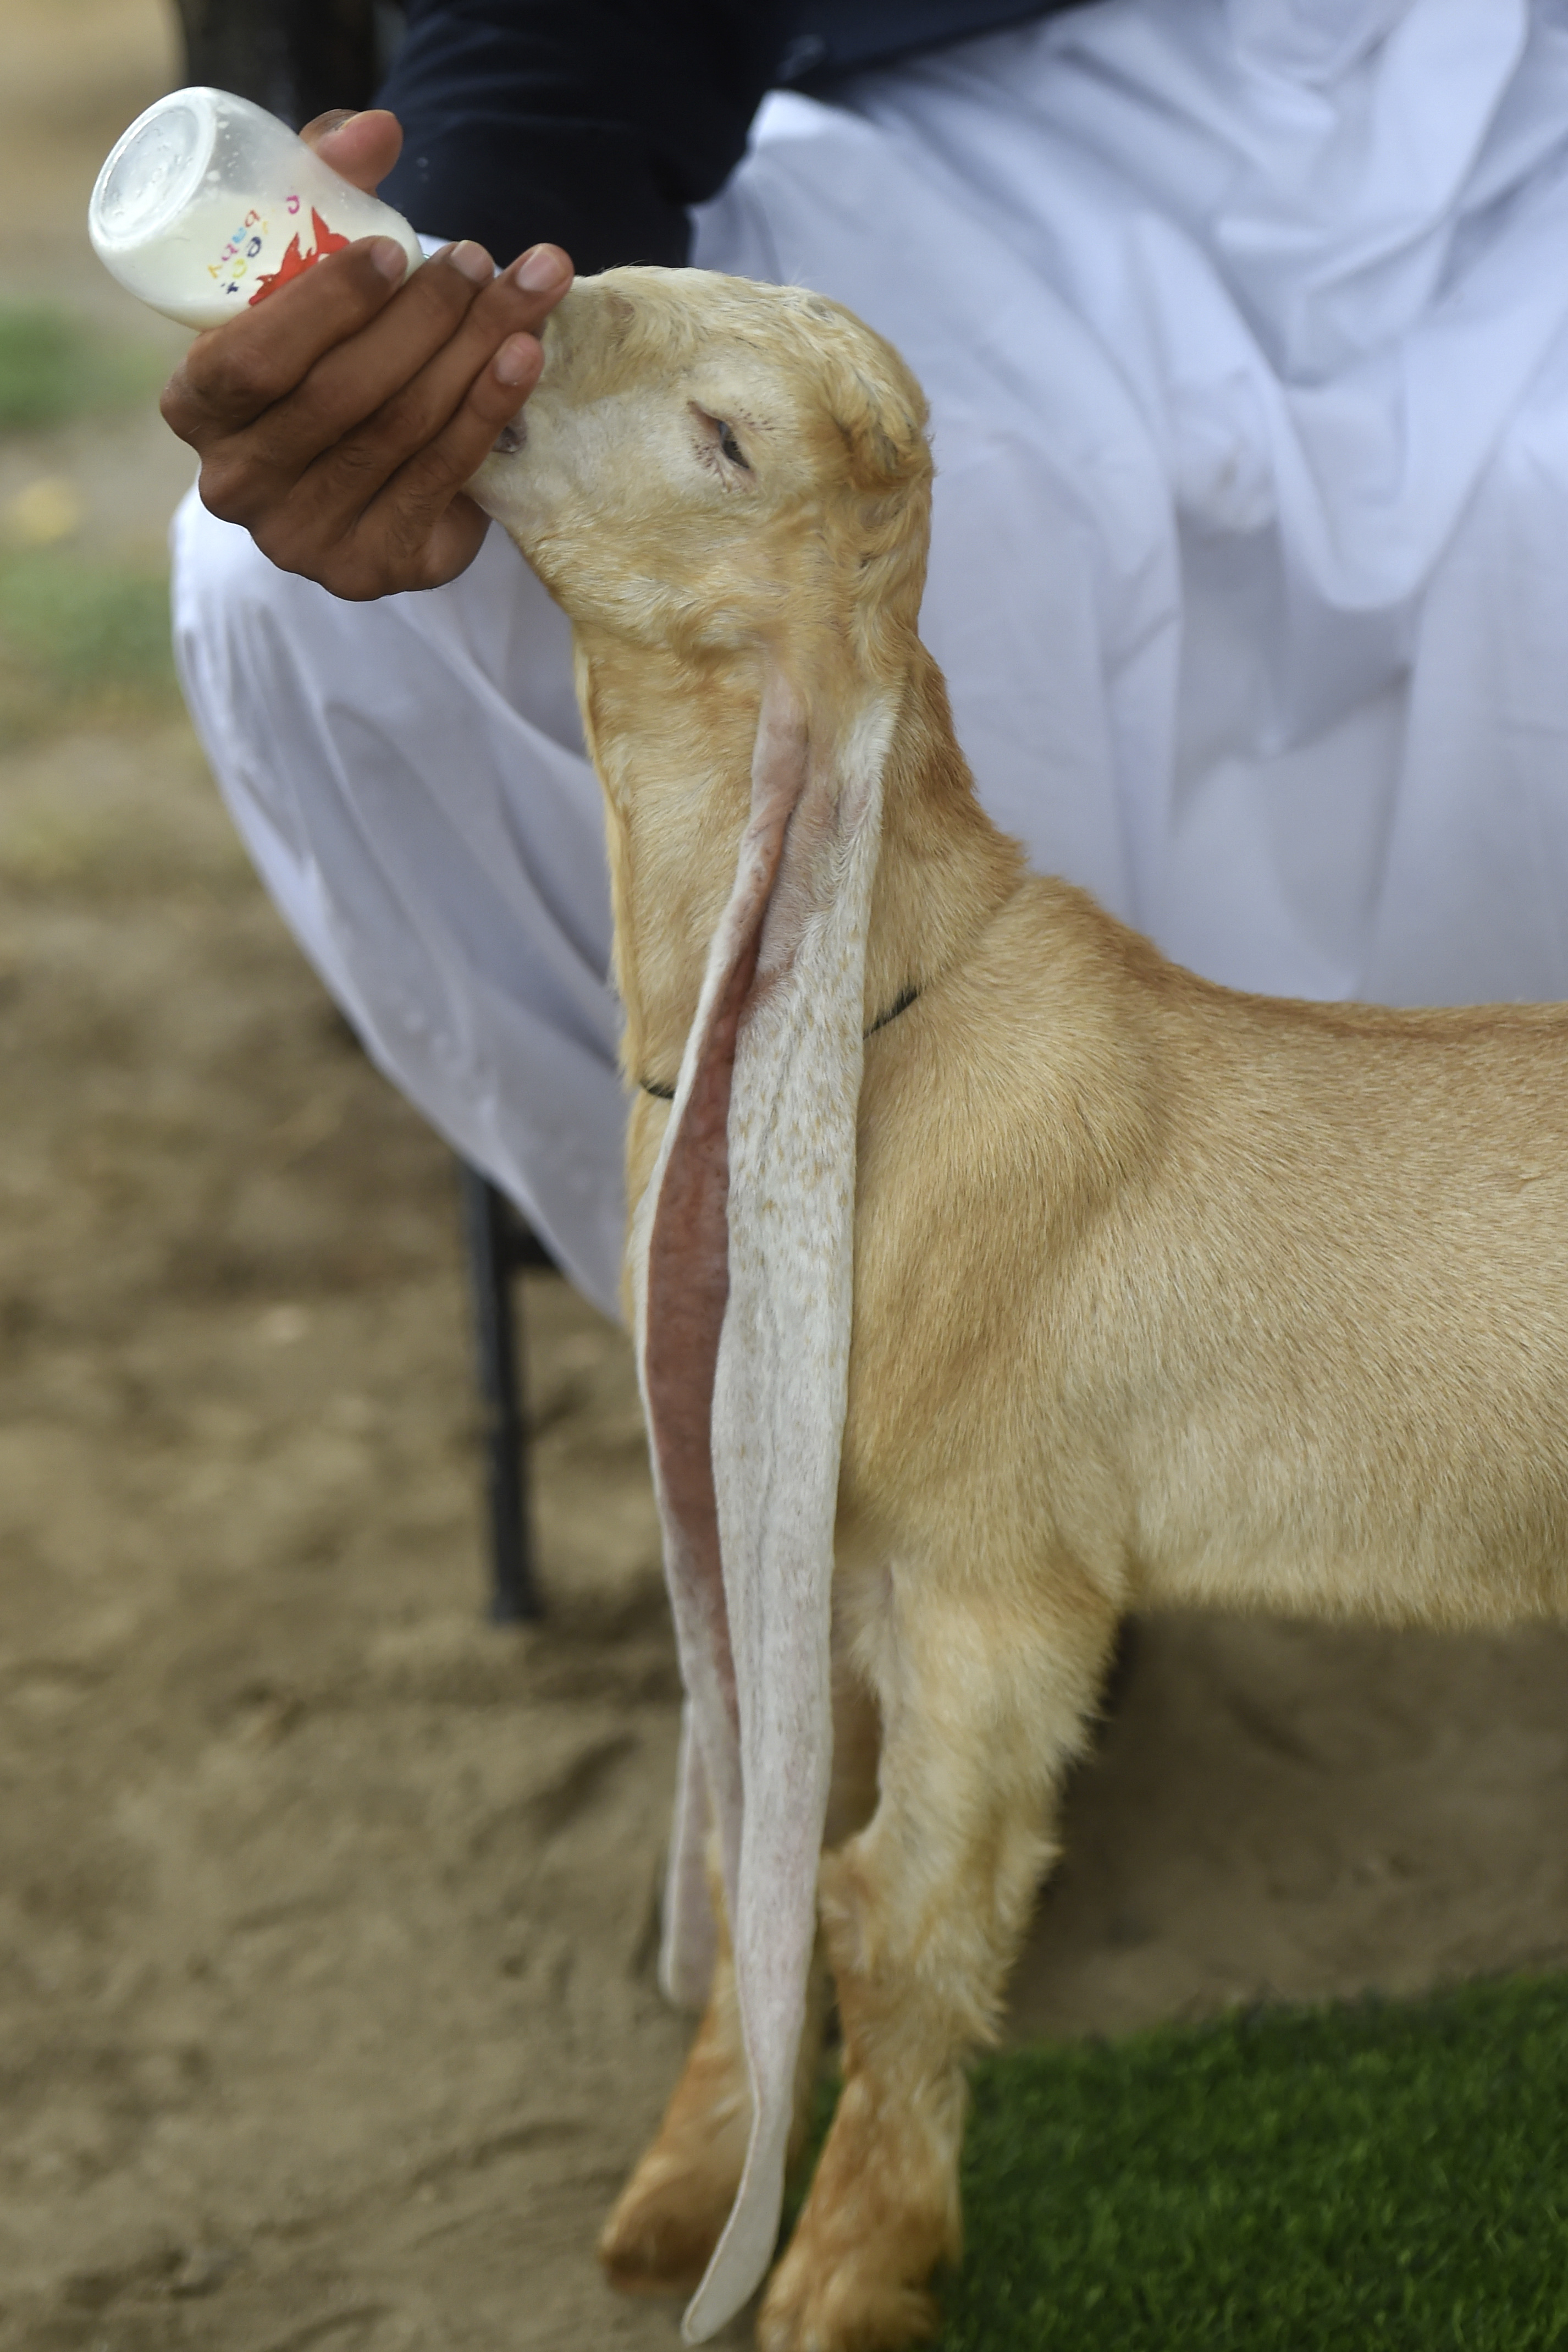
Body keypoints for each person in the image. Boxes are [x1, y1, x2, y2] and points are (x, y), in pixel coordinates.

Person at [165, 0, 1568, 1319]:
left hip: (1519, 122)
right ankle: (881, 1381)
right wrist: (455, 298)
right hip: (945, 130)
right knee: (322, 593)